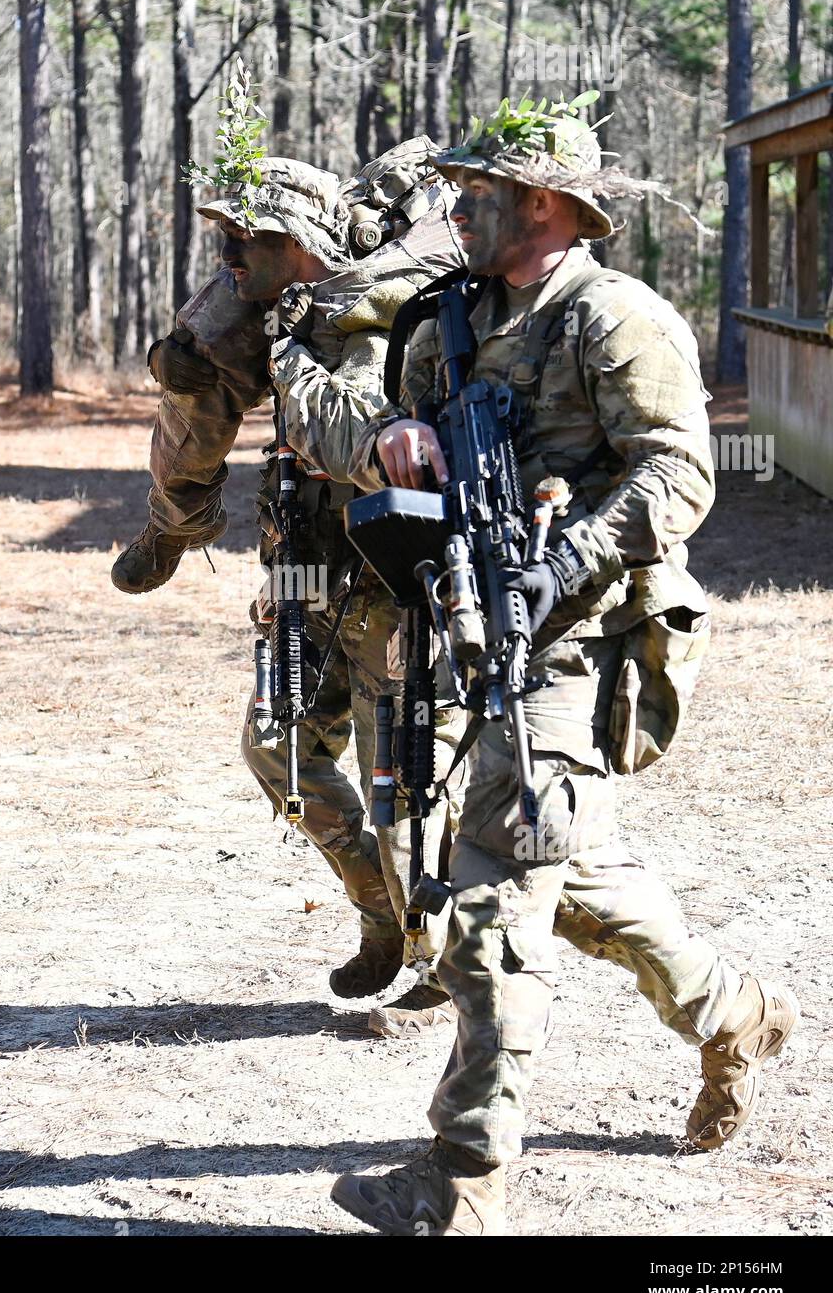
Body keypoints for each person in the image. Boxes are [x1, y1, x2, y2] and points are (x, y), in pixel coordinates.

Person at [330, 102, 799, 1233]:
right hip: (461, 631)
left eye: (476, 191)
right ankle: (730, 1009)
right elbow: (402, 430)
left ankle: (464, 1182)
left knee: (494, 900)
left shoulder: (614, 316)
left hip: (573, 644)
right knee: (566, 875)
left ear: (540, 202)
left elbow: (679, 473)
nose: (455, 208)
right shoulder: (450, 318)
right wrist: (396, 440)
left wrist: (567, 559)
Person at [120, 155, 466, 1034]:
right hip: (306, 581)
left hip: (392, 592)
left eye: (249, 237)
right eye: (226, 238)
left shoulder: (376, 327)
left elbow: (365, 445)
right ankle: (382, 911)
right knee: (278, 750)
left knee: (406, 791)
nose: (229, 256)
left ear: (301, 241)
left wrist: (303, 368)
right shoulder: (286, 318)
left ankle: (444, 973)